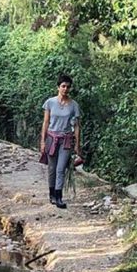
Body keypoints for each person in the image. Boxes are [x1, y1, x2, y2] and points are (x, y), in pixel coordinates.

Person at [40, 74, 81, 209]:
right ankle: (51, 194)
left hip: (66, 140)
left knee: (61, 168)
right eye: (63, 86)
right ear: (58, 87)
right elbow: (45, 122)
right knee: (52, 168)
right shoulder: (50, 103)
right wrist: (42, 141)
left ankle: (59, 196)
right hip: (52, 138)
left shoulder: (74, 105)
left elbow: (76, 125)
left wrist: (77, 145)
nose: (65, 89)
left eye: (68, 87)